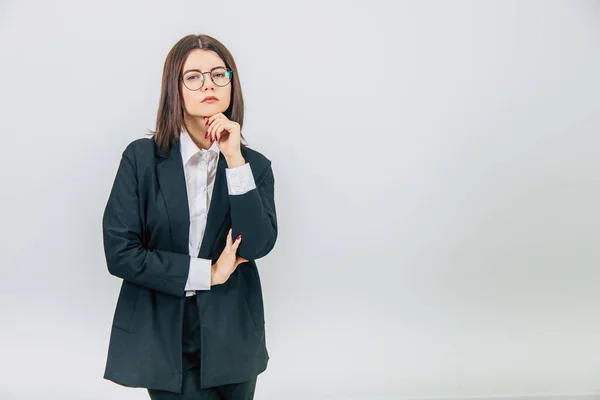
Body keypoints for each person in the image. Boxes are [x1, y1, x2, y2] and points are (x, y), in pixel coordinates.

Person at [101, 33, 278, 400]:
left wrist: (234, 159)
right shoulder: (141, 160)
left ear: (232, 83)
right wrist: (207, 273)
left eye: (218, 74)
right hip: (165, 336)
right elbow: (121, 252)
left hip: (234, 338)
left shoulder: (252, 166)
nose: (208, 84)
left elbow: (258, 244)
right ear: (174, 88)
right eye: (193, 76)